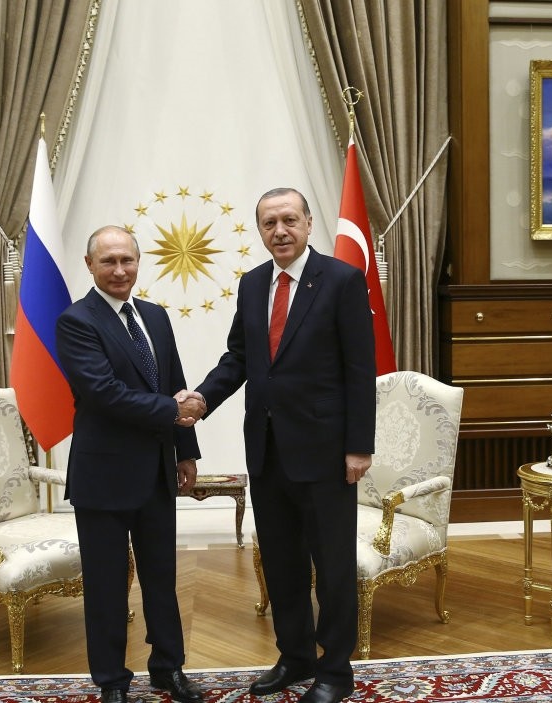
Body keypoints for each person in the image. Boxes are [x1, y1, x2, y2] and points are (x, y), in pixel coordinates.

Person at [190, 187, 376, 703]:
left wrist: (359, 446)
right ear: (260, 230)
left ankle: (336, 671)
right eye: (269, 223)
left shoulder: (341, 280)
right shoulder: (252, 285)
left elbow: (361, 371)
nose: (280, 231)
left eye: (289, 220)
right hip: (268, 451)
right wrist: (202, 399)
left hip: (327, 453)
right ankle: (295, 657)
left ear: (309, 223)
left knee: (332, 566)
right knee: (282, 563)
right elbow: (238, 359)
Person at [55, 225, 207, 703]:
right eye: (108, 262)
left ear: (139, 263)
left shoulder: (156, 317)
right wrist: (172, 412)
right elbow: (103, 394)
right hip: (103, 477)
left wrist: (186, 450)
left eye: (127, 260)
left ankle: (168, 668)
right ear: (90, 265)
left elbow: (176, 383)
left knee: (162, 578)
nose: (119, 270)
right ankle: (112, 681)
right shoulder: (76, 322)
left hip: (158, 472)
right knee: (105, 588)